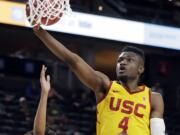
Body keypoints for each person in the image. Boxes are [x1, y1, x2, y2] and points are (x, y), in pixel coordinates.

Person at [31, 25, 165, 135]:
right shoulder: (105, 86)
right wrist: (39, 31)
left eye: (129, 60)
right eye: (120, 60)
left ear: (140, 69)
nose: (122, 63)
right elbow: (73, 60)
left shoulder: (153, 98)